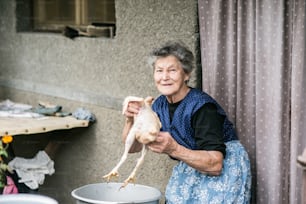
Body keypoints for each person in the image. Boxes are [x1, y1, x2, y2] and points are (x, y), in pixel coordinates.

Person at [122, 41, 251, 203]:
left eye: (172, 70)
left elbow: (216, 165)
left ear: (187, 74)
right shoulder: (159, 105)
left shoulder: (203, 107)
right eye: (159, 70)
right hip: (192, 162)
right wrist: (130, 120)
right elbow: (134, 147)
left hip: (221, 166)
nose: (164, 77)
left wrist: (173, 148)